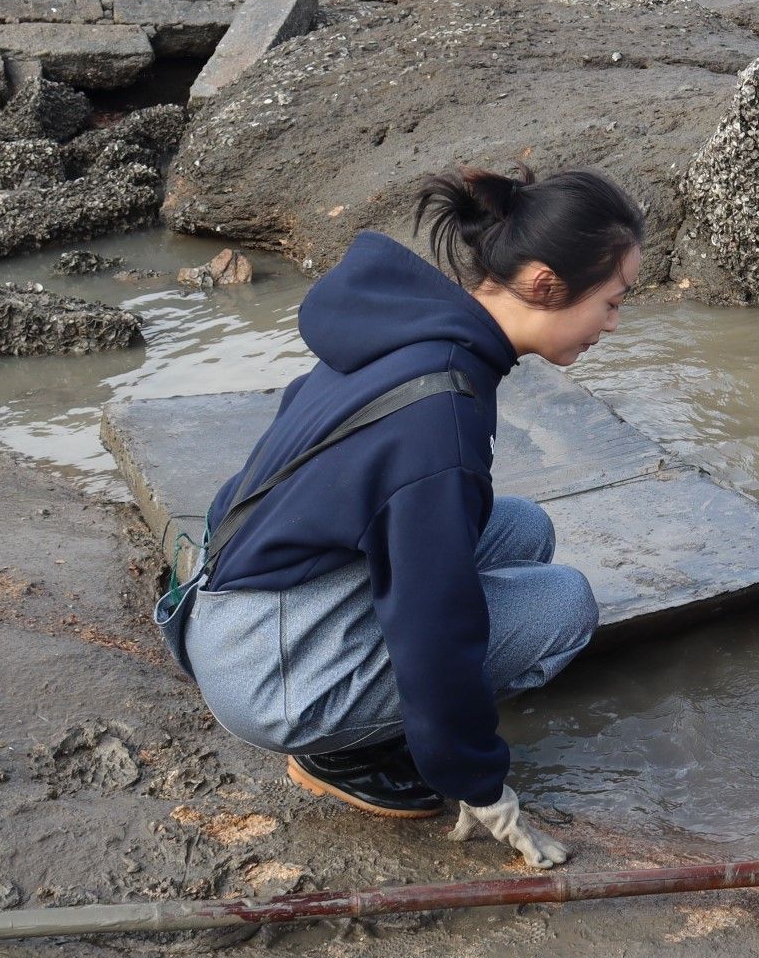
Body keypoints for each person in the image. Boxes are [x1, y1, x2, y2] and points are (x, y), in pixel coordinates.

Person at [160, 166, 647, 869]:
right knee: (562, 604)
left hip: (235, 598)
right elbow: (433, 623)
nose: (613, 323)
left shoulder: (415, 331)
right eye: (611, 301)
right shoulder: (440, 415)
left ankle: (359, 717)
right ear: (544, 284)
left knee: (524, 529)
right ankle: (345, 757)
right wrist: (478, 781)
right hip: (262, 672)